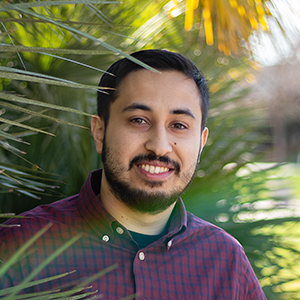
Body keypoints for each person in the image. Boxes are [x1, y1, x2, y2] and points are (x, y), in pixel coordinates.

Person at [0, 49, 266, 299]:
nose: (159, 145)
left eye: (179, 125)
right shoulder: (18, 247)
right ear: (99, 132)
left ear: (201, 142)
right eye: (139, 120)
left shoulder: (226, 261)